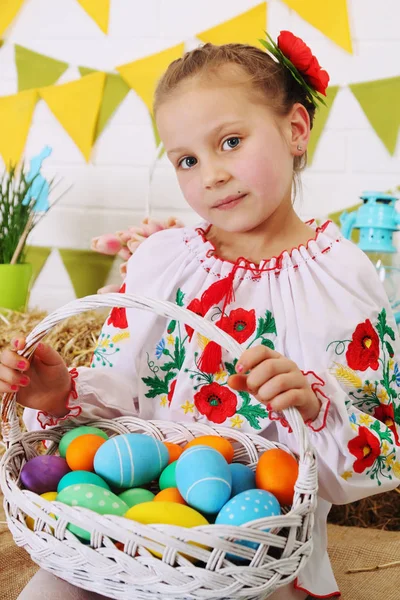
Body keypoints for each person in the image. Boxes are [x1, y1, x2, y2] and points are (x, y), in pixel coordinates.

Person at [1, 31, 399, 600]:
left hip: (252, 550)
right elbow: (121, 405)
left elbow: (376, 456)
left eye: (231, 141)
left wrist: (312, 402)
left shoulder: (341, 277)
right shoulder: (164, 262)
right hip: (130, 531)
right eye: (187, 159)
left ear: (295, 130)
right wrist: (60, 391)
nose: (209, 174)